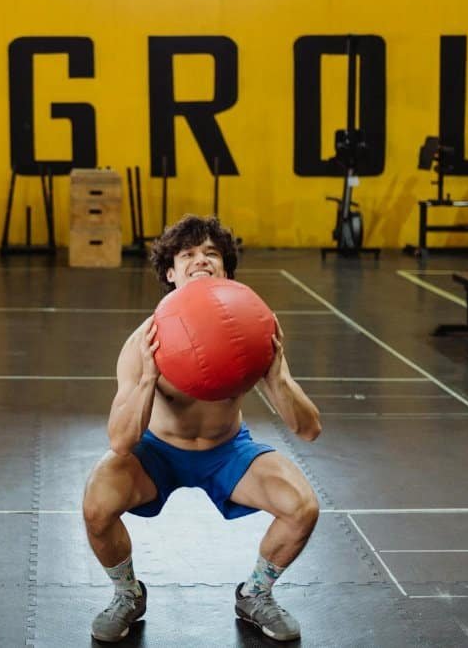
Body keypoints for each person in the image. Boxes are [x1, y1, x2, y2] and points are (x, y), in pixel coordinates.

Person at [83, 215, 322, 643]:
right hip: (157, 452)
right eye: (188, 254)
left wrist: (277, 378)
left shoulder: (252, 331)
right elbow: (120, 441)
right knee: (97, 505)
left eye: (211, 253)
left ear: (226, 270)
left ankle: (256, 593)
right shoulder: (143, 343)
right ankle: (127, 594)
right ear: (170, 273)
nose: (201, 261)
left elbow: (308, 430)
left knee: (302, 506)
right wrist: (147, 380)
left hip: (227, 450)